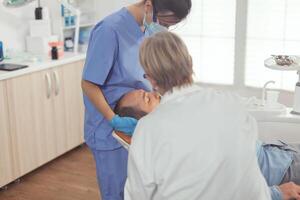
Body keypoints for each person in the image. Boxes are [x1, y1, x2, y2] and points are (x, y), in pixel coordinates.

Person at [124, 31, 271, 199]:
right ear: (190, 63)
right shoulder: (232, 103)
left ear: (151, 80)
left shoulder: (147, 130)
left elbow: (137, 195)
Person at [81, 0, 192, 199]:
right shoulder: (109, 30)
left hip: (141, 125)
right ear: (149, 5)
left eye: (169, 25)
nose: (164, 28)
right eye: (164, 22)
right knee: (118, 192)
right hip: (109, 129)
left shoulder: (149, 30)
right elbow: (89, 83)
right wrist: (113, 120)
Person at [116, 89, 300, 200]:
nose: (155, 94)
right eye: (148, 99)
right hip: (281, 173)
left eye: (148, 92)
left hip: (279, 154)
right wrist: (277, 193)